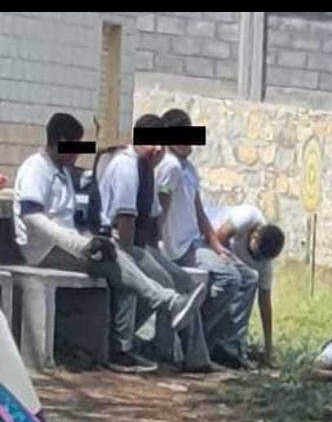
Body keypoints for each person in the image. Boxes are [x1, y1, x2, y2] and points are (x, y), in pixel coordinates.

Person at [13, 113, 206, 373]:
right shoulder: (37, 168)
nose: (78, 154)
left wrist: (85, 241)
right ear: (60, 141)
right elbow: (33, 218)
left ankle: (170, 316)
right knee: (119, 260)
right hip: (44, 250)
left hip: (70, 245)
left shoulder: (63, 171)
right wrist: (78, 244)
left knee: (121, 260)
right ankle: (164, 308)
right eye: (75, 146)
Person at [93, 114, 219, 373]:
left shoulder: (147, 169)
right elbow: (125, 220)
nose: (157, 149)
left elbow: (152, 221)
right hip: (116, 243)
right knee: (162, 281)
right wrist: (132, 259)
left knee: (186, 283)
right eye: (152, 143)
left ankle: (196, 359)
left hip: (141, 245)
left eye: (161, 144)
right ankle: (135, 347)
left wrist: (155, 254)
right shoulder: (127, 167)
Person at [156, 109, 251, 370]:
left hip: (196, 242)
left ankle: (226, 345)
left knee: (248, 277)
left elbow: (199, 213)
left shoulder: (188, 169)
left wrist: (218, 247)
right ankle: (191, 336)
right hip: (180, 247)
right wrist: (157, 245)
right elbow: (162, 206)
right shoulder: (169, 168)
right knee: (229, 279)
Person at [208, 204, 284, 369]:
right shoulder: (248, 217)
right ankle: (226, 345)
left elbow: (264, 302)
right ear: (254, 236)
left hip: (229, 270)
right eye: (256, 254)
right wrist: (230, 263)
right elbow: (220, 235)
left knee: (247, 278)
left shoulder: (265, 264)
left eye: (262, 257)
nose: (258, 259)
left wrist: (268, 346)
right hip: (209, 243)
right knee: (248, 277)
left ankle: (229, 345)